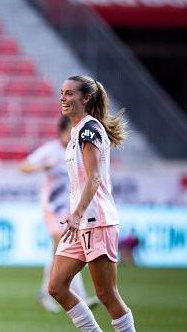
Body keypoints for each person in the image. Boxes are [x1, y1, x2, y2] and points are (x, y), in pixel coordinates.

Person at [48, 75, 136, 332]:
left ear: (86, 98)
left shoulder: (89, 129)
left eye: (69, 93)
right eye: (62, 93)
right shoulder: (77, 131)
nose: (63, 98)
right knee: (57, 287)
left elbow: (94, 178)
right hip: (80, 222)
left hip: (96, 220)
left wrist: (76, 214)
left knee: (106, 294)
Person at [20, 116, 98, 312]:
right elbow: (24, 166)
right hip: (52, 208)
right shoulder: (50, 150)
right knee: (64, 246)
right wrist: (42, 167)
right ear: (62, 132)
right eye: (69, 132)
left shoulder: (79, 151)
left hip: (71, 210)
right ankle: (81, 297)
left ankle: (45, 293)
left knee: (61, 252)